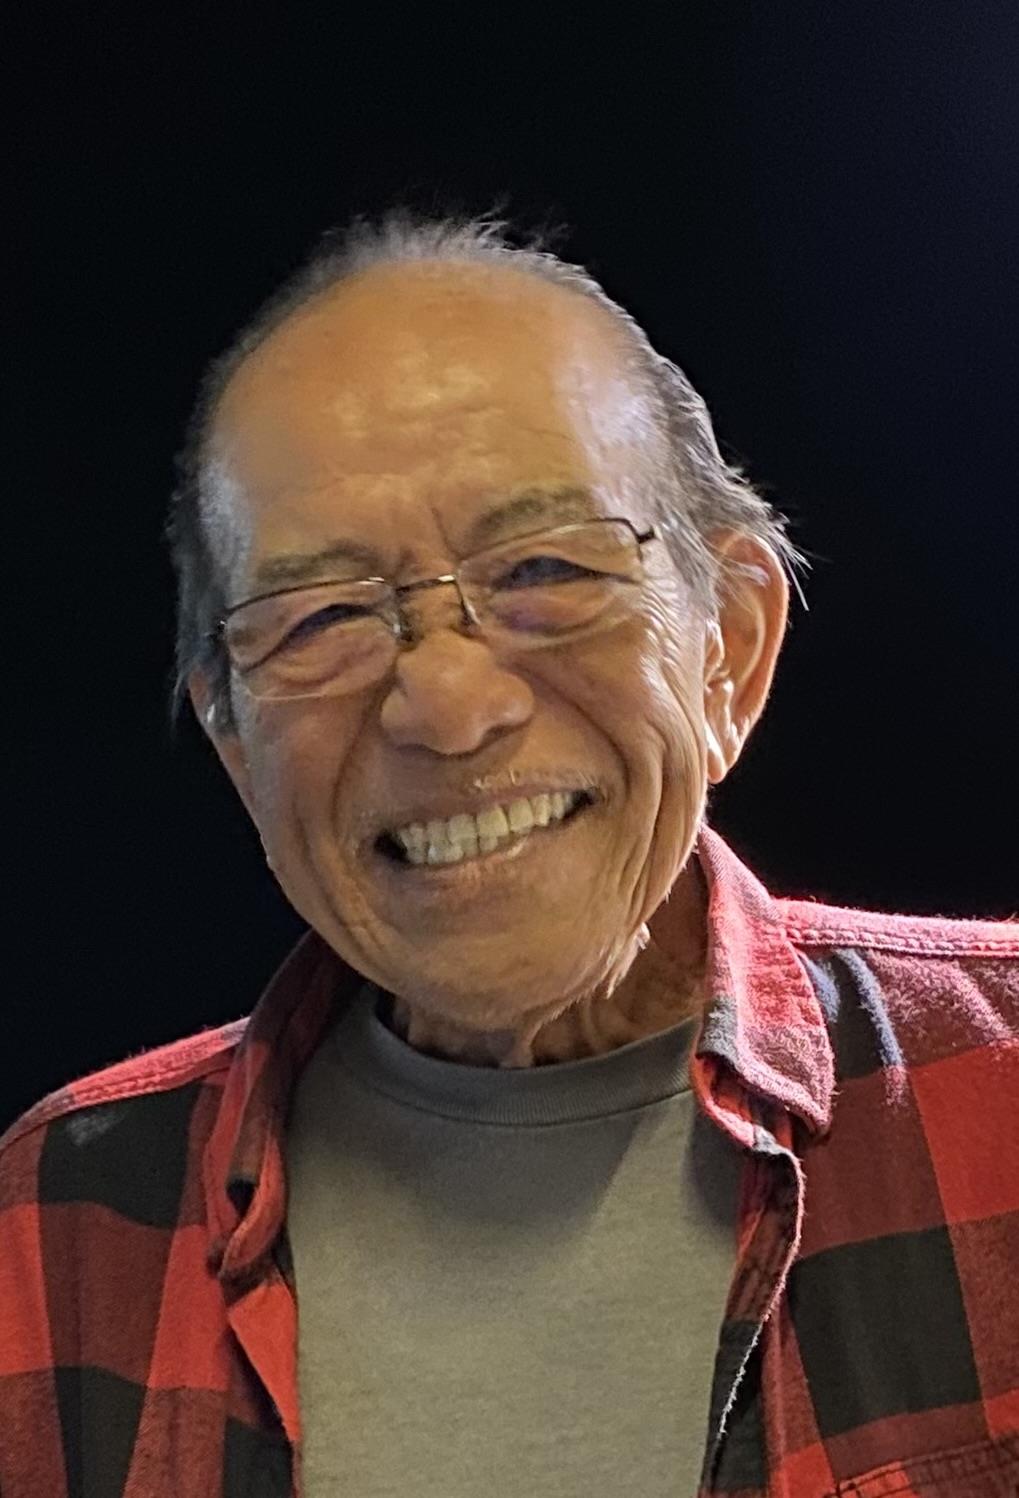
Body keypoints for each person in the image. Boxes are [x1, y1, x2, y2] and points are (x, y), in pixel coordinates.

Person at [1, 214, 1016, 1498]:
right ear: (234, 742)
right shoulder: (59, 1222)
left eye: (542, 566)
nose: (446, 705)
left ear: (730, 650)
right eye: (318, 618)